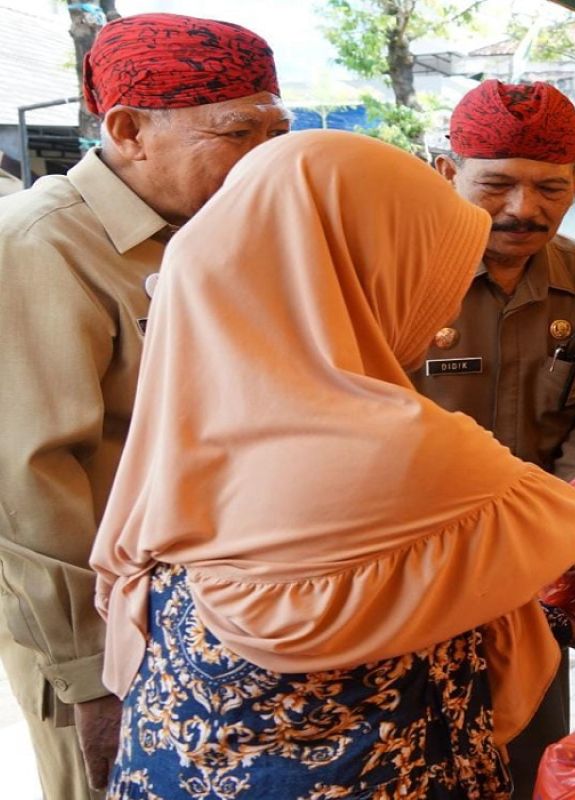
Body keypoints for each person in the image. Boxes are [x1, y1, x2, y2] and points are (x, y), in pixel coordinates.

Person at [88, 130, 575, 799]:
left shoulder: (193, 393)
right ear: (361, 269)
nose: (436, 310)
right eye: (428, 278)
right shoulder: (390, 445)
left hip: (177, 759)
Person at [0, 14, 288, 797]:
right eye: (238, 133)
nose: (268, 159)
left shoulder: (225, 227)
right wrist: (96, 677)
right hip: (101, 635)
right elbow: (28, 489)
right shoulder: (40, 245)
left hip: (212, 618)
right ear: (128, 131)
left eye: (278, 131)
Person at [411, 79, 575, 795]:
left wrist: (545, 530)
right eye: (497, 184)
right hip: (415, 576)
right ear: (447, 173)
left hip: (537, 571)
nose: (523, 210)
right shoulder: (399, 272)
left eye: (549, 187)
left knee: (530, 756)